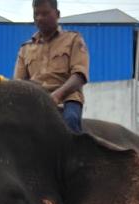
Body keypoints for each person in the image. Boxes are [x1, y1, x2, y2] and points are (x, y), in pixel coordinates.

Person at [14, 0, 90, 133]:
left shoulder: (73, 39)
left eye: (45, 13)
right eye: (36, 14)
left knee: (70, 121)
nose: (39, 18)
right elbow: (19, 83)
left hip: (67, 99)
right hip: (36, 101)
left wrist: (57, 96)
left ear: (57, 14)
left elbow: (79, 75)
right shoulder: (25, 49)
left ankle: (74, 146)